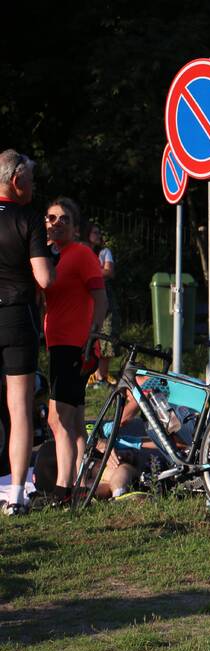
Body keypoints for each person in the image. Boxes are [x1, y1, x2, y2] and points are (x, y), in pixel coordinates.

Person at [43, 197, 107, 507]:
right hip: (57, 344)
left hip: (75, 345)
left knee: (59, 419)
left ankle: (62, 490)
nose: (55, 223)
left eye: (63, 219)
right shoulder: (50, 258)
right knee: (76, 422)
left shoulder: (81, 254)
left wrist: (91, 339)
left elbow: (101, 298)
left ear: (76, 227)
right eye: (50, 218)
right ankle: (81, 485)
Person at [0, 150, 54, 515]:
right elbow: (44, 278)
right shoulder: (28, 219)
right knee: (19, 408)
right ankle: (16, 493)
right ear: (17, 181)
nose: (34, 188)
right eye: (31, 181)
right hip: (17, 318)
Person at [87, 223, 118, 386]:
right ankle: (90, 374)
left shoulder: (105, 252)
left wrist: (87, 272)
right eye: (95, 232)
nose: (98, 235)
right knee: (87, 336)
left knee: (106, 334)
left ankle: (101, 376)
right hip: (85, 297)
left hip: (103, 295)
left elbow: (109, 272)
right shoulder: (81, 250)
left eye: (99, 232)